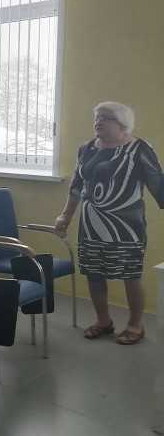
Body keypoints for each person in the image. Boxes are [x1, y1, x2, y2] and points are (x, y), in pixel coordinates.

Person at [54, 102, 164, 345]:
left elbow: (158, 185)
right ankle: (103, 321)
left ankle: (136, 325)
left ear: (122, 124)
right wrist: (65, 216)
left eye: (105, 117)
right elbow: (76, 187)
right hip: (90, 227)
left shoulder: (139, 149)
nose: (98, 121)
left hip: (127, 228)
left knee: (130, 275)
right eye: (97, 117)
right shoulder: (86, 149)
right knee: (94, 274)